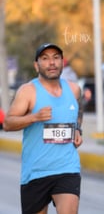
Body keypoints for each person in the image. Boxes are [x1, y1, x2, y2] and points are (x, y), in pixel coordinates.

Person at [3, 43, 83, 214]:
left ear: (62, 62)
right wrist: (34, 117)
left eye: (56, 58)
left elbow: (79, 109)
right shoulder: (28, 91)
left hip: (67, 168)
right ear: (36, 65)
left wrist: (78, 129)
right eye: (45, 59)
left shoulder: (74, 89)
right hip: (35, 172)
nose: (51, 63)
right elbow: (8, 123)